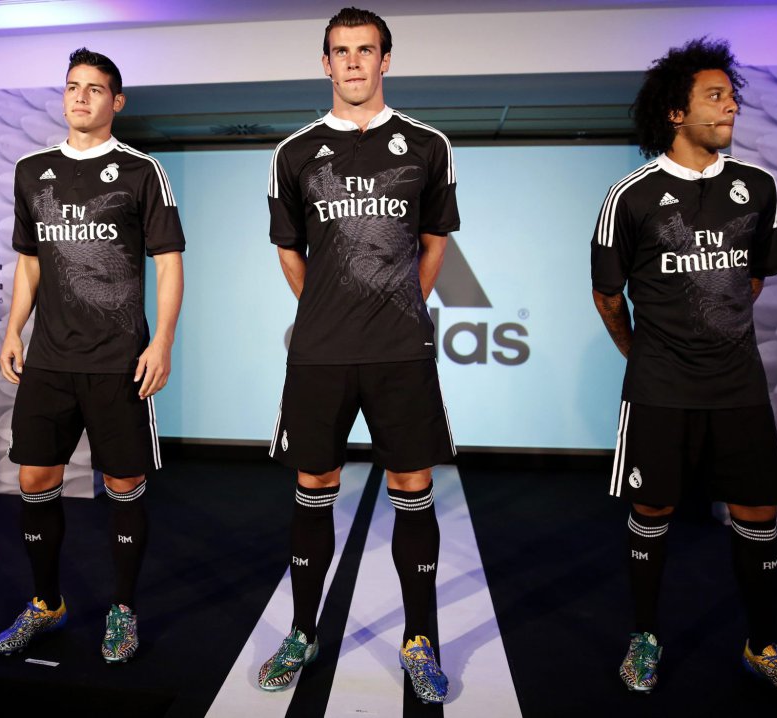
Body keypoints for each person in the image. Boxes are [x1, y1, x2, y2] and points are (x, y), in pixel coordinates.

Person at [591, 38, 777, 711]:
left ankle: (763, 647)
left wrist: (711, 333)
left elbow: (749, 280)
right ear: (675, 111)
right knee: (653, 509)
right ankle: (645, 637)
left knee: (757, 513)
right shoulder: (629, 197)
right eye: (715, 96)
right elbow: (609, 298)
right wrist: (644, 354)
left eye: (731, 94)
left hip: (737, 384)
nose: (731, 105)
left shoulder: (758, 187)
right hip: (659, 386)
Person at [259, 6, 459, 704]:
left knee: (411, 487)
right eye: (340, 51)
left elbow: (435, 241)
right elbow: (288, 247)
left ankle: (420, 639)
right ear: (325, 63)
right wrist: (327, 307)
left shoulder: (428, 145)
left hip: (401, 351)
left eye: (365, 50)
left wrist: (401, 303)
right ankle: (303, 630)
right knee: (315, 485)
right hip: (319, 354)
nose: (352, 62)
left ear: (385, 60)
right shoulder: (293, 152)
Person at [0, 47, 185, 663]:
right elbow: (29, 261)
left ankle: (122, 611)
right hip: (48, 360)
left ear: (116, 102)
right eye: (73, 87)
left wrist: (163, 339)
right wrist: (13, 327)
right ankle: (47, 603)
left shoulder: (140, 171)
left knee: (123, 484)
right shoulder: (32, 170)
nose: (81, 97)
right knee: (35, 478)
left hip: (118, 360)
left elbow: (169, 262)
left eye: (95, 89)